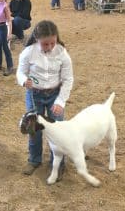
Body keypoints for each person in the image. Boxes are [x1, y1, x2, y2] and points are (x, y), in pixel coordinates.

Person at [16, 20, 74, 176]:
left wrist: (60, 101)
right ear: (36, 40)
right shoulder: (28, 52)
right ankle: (34, 160)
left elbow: (68, 79)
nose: (49, 47)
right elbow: (20, 72)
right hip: (34, 95)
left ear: (56, 39)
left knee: (58, 130)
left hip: (55, 94)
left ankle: (59, 163)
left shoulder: (62, 53)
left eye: (52, 43)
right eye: (45, 44)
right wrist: (23, 80)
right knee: (33, 128)